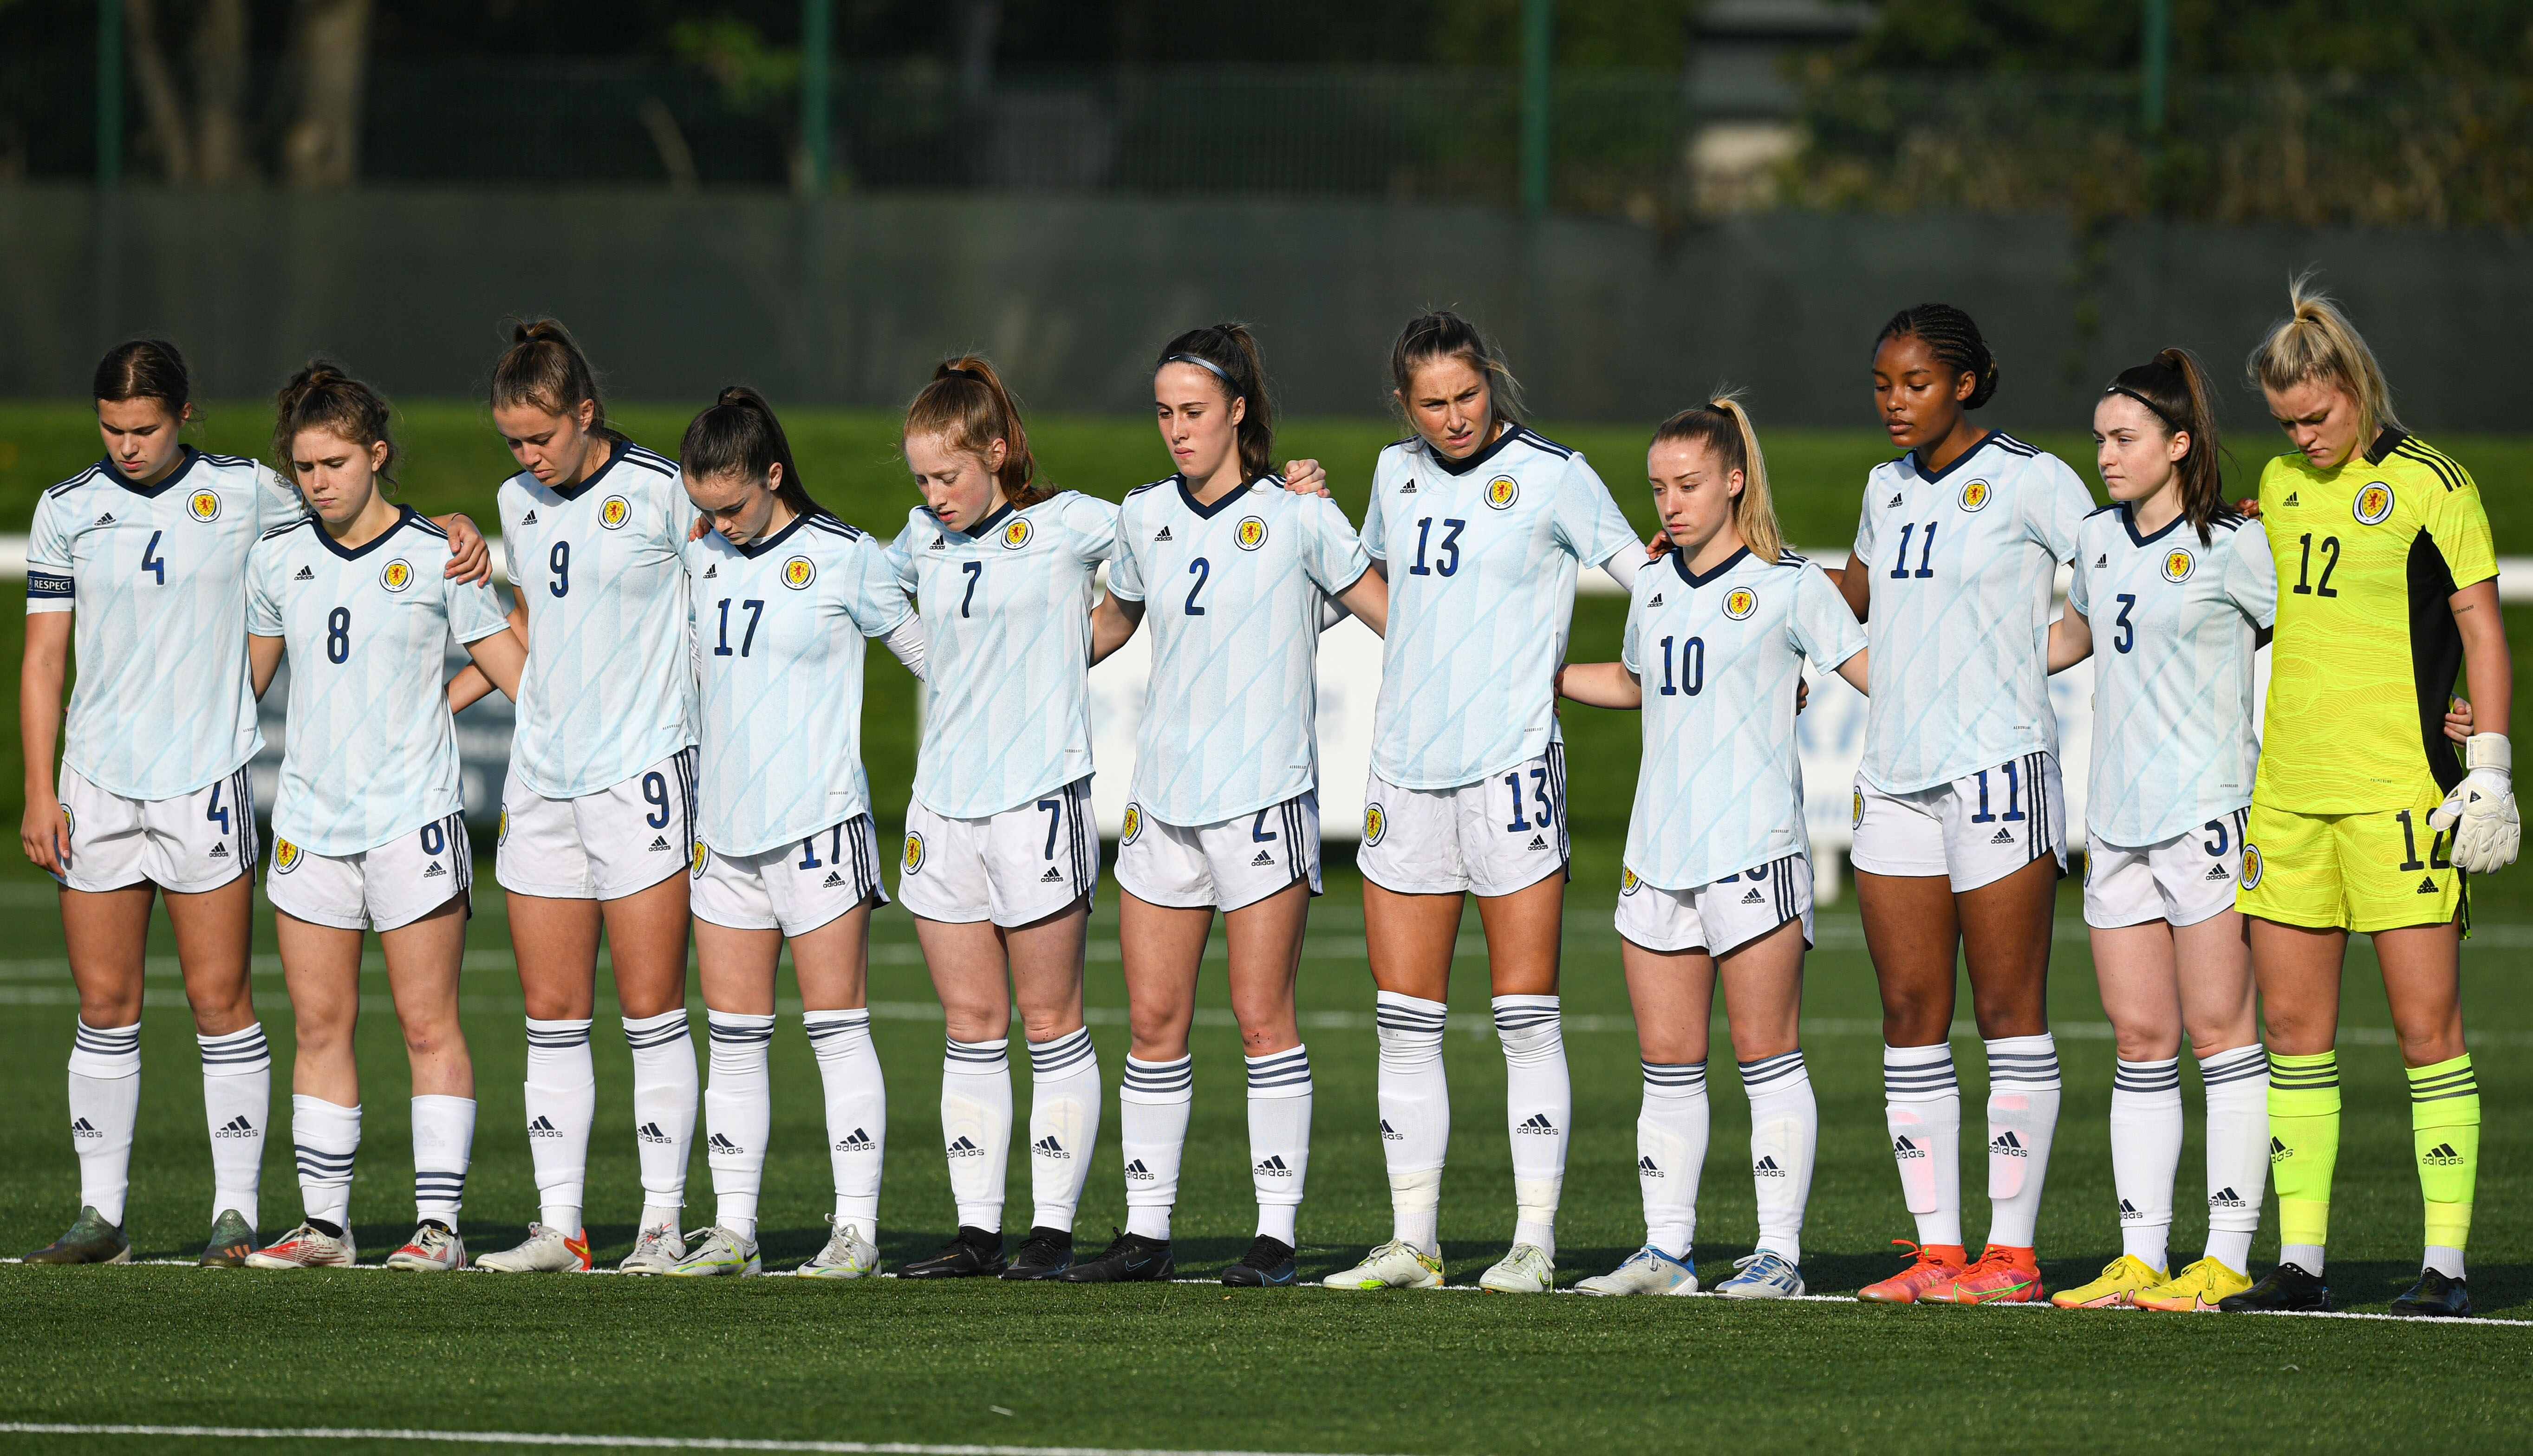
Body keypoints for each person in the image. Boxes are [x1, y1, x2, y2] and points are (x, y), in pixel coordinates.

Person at [20, 340, 487, 1268]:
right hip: (97, 782)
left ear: (185, 416)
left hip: (209, 780)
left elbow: (357, 509)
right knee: (104, 1000)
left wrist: (456, 526)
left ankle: (236, 1212)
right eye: (113, 429)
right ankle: (98, 1215)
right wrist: (41, 788)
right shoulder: (66, 509)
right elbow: (43, 658)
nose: (128, 445)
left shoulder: (248, 491)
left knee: (220, 998)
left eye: (146, 428)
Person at [1318, 310, 1647, 1294]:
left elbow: (1653, 583)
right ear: (1402, 404)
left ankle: (1533, 1241)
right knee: (1404, 1016)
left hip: (1511, 772)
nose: (1455, 417)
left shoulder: (1556, 472)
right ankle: (1414, 1239)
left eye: (1467, 396)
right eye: (1433, 402)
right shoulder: (1392, 472)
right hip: (1404, 773)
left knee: (1523, 1012)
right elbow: (1381, 592)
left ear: (1491, 382)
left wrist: (1634, 671)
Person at [1067, 325, 1387, 1287]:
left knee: (1262, 1018)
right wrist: (1013, 669)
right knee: (1154, 1019)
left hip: (1264, 801)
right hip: (1161, 805)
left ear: (1239, 409)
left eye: (1194, 411)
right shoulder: (1141, 515)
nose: (1176, 430)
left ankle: (1275, 1233)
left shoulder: (1301, 516)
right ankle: (1146, 1232)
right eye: (1163, 412)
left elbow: (1390, 612)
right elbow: (1116, 618)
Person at [2219, 280, 2513, 1319]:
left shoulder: (2434, 480)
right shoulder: (2278, 481)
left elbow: (2480, 623)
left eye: (2318, 417)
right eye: (2285, 423)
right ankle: (2301, 1259)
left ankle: (2444, 1265)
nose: (2303, 437)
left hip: (2401, 794)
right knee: (2293, 1029)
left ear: (2354, 388)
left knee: (2425, 1024)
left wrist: (2490, 768)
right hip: (2290, 796)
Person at [1557, 397, 1868, 1300]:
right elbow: (1632, 678)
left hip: (1755, 852)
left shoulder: (1790, 584)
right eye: (1657, 487)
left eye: (1687, 484)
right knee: (1666, 1063)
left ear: (1734, 479)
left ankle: (1778, 1254)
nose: (1669, 503)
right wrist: (1533, 680)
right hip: (1657, 856)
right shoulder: (1651, 585)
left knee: (1766, 1053)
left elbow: (1873, 670)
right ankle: (1667, 1250)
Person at [1826, 304, 2096, 1306]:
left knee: (2008, 1010)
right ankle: (1938, 1251)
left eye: (1916, 383)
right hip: (1893, 778)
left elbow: (2115, 585)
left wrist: (2036, 663)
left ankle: (2013, 1257)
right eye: (1882, 383)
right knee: (1909, 1012)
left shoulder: (2036, 479)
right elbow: (1851, 594)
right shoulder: (1882, 488)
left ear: (1968, 384)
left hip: (1999, 773)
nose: (1895, 403)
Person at [235, 362, 525, 1271]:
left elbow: (517, 667)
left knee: (426, 1021)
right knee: (318, 1025)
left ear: (377, 453)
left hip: (414, 821)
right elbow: (244, 687)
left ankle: (437, 1226)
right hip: (311, 822)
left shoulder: (443, 550)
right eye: (305, 465)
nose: (319, 479)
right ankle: (325, 1224)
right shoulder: (276, 558)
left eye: (334, 461)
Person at [664, 388, 927, 1279]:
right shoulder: (700, 557)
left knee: (837, 1028)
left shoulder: (846, 557)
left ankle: (855, 1231)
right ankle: (732, 1232)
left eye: (732, 506)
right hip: (723, 837)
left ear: (775, 476)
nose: (719, 525)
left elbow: (934, 655)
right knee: (733, 1038)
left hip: (819, 827)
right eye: (704, 509)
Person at [2039, 350, 2279, 1311]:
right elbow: (2068, 639)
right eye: (2099, 436)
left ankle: (2222, 1252)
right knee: (2139, 1039)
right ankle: (2139, 1255)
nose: (2104, 453)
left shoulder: (2236, 544)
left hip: (2207, 817)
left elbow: (2308, 644)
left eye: (2124, 437)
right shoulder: (2096, 542)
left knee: (2222, 1034)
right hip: (2117, 825)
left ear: (2179, 445)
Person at [464, 320, 703, 1276]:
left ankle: (661, 1220)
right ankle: (559, 1225)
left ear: (585, 414)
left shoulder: (662, 492)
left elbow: (715, 610)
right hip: (544, 783)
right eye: (512, 441)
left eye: (541, 437)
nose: (526, 456)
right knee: (551, 1011)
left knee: (651, 1008)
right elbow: (534, 619)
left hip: (642, 775)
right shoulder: (513, 501)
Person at [887, 358, 1118, 1281]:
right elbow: (864, 591)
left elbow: (1170, 554)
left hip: (1038, 803)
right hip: (942, 810)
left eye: (948, 475)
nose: (934, 495)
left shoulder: (1071, 525)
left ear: (996, 450)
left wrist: (1073, 651)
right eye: (921, 480)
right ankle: (977, 1230)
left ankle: (1051, 1229)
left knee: (1049, 1016)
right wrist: (935, 660)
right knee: (971, 1021)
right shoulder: (918, 535)